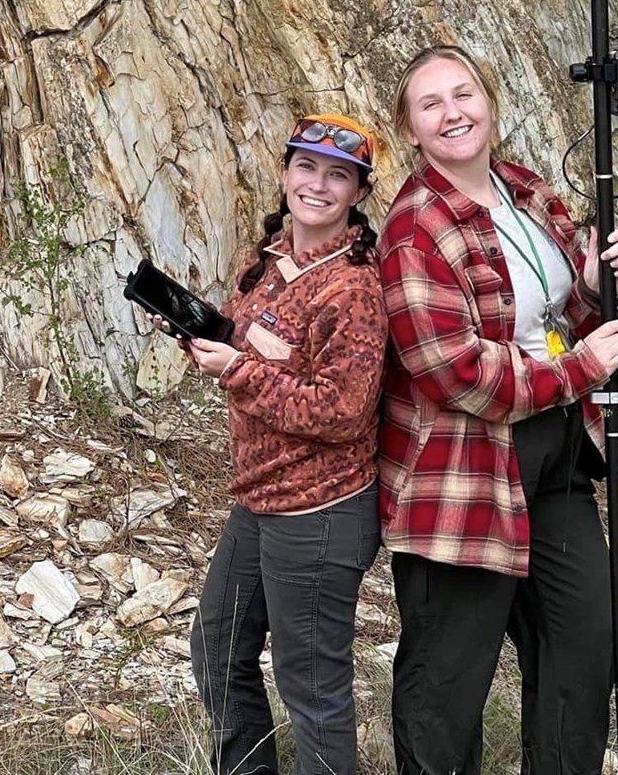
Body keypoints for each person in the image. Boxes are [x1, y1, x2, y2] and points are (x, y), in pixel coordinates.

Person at [377, 46, 618, 775]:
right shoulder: (413, 230)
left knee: (581, 645)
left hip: (555, 455)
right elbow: (455, 370)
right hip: (461, 478)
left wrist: (596, 284)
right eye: (431, 104)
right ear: (411, 127)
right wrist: (581, 366)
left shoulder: (525, 190)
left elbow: (559, 316)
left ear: (489, 100)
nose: (452, 111)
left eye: (463, 93)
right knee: (447, 679)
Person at [161, 113, 388, 775]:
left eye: (337, 174)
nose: (317, 184)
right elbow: (261, 353)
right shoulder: (265, 261)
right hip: (259, 501)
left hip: (322, 511)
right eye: (306, 166)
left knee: (312, 688)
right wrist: (207, 335)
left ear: (359, 193)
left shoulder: (354, 289)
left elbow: (342, 410)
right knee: (218, 652)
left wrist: (233, 369)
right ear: (286, 172)